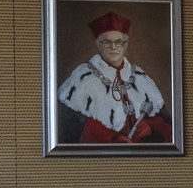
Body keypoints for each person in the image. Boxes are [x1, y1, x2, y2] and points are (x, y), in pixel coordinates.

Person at [55, 11, 171, 144]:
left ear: (125, 45)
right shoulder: (82, 78)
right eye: (107, 42)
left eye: (118, 42)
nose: (113, 46)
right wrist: (110, 139)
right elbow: (69, 131)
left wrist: (150, 127)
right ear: (98, 44)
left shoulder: (141, 78)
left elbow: (166, 125)